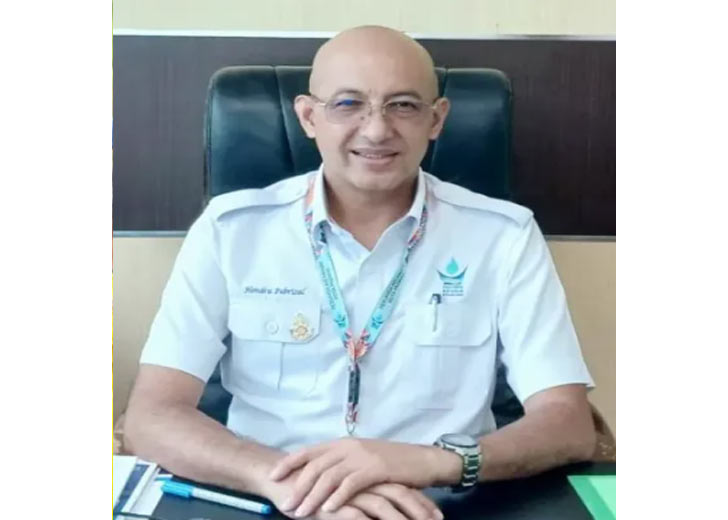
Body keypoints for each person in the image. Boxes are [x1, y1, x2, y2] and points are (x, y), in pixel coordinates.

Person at [124, 25, 596, 520]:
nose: (376, 130)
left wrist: (432, 462)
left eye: (403, 105)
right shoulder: (230, 231)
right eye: (348, 104)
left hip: (440, 503)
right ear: (308, 117)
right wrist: (291, 484)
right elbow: (152, 414)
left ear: (436, 119)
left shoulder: (503, 236)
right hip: (268, 497)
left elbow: (567, 422)